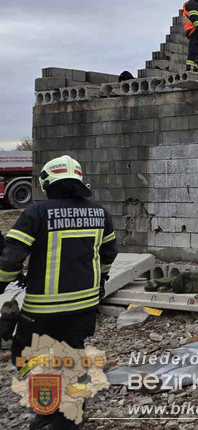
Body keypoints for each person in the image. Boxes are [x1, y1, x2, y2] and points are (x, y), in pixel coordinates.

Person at [0, 155, 118, 430]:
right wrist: (99, 282)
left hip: (44, 307)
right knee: (72, 352)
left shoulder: (36, 213)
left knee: (31, 356)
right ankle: (71, 408)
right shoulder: (100, 213)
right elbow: (109, 254)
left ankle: (53, 411)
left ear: (47, 182)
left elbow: (11, 259)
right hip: (86, 305)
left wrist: (2, 284)